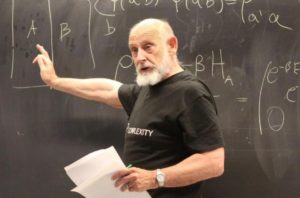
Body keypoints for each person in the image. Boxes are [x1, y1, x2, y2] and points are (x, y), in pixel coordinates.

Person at [33, 18, 225, 198]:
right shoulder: (146, 90)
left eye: (148, 47)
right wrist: (55, 81)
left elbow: (213, 162)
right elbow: (106, 89)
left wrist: (153, 178)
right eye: (134, 50)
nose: (140, 57)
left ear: (171, 45)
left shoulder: (190, 93)